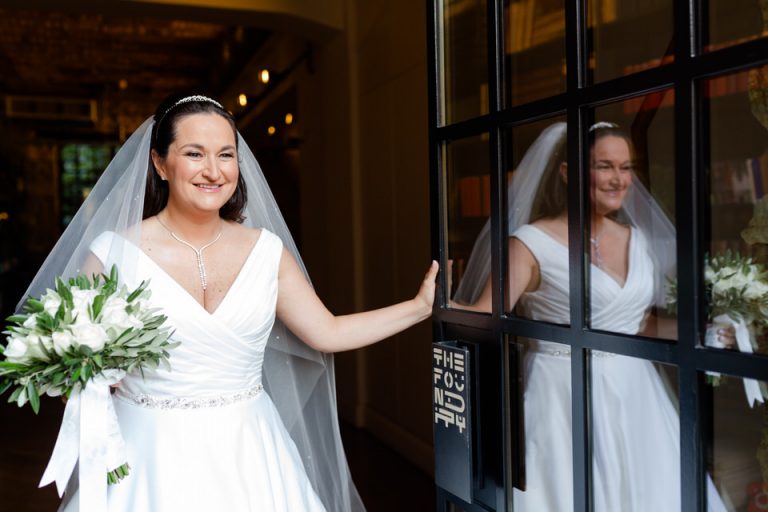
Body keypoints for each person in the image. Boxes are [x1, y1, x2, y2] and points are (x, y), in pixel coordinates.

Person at [24, 94, 438, 512]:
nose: (213, 171)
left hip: (251, 456)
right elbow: (68, 367)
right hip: (147, 458)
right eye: (194, 153)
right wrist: (84, 381)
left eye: (226, 154)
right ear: (159, 163)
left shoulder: (267, 252)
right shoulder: (114, 254)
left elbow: (327, 332)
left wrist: (419, 307)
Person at [452, 122, 728, 511]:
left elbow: (637, 325)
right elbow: (481, 317)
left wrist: (708, 332)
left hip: (637, 393)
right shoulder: (529, 244)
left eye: (626, 167)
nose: (619, 179)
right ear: (569, 173)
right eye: (605, 166)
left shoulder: (640, 240)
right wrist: (429, 304)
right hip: (560, 395)